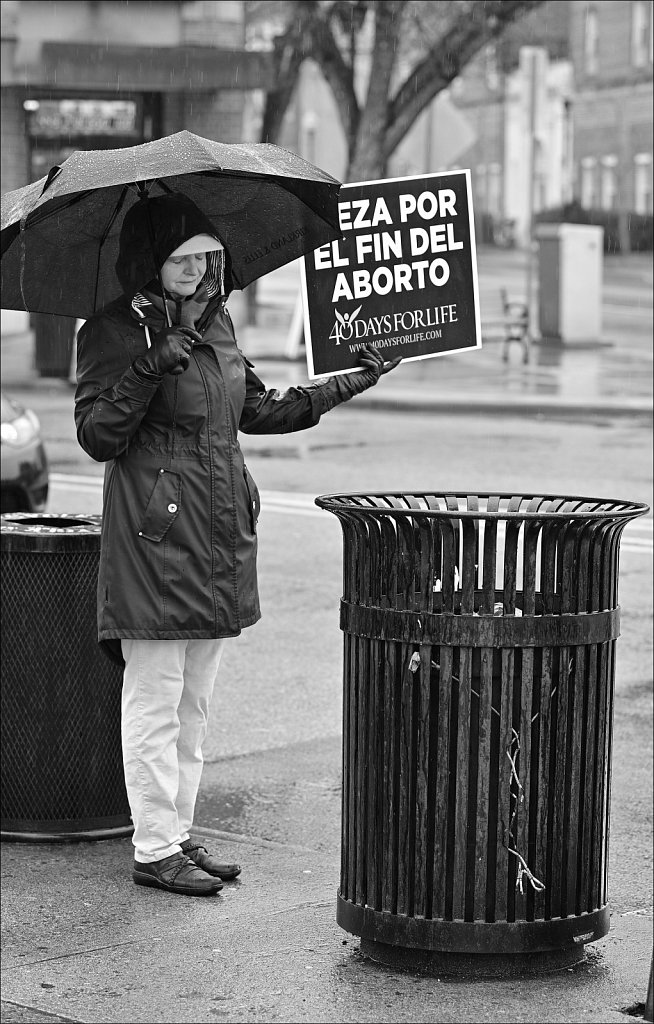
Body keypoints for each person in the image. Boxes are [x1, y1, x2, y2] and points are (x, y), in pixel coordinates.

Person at [74, 192, 400, 897]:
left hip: (218, 530)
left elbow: (260, 409)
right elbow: (97, 435)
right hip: (154, 535)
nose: (198, 269)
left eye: (208, 256)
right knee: (155, 696)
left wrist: (355, 378)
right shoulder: (109, 331)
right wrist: (148, 367)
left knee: (194, 701)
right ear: (150, 261)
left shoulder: (217, 325)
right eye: (183, 258)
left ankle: (176, 832)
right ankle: (154, 845)